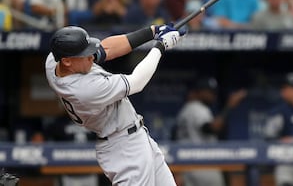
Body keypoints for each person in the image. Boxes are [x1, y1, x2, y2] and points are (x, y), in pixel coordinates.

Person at [45, 23, 185, 185]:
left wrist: (152, 31)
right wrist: (160, 46)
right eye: (85, 54)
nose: (91, 56)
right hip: (123, 148)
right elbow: (137, 82)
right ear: (67, 61)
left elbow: (106, 49)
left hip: (135, 136)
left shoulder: (53, 62)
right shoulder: (84, 90)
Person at [175, 77, 247, 186]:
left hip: (187, 165)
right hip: (203, 163)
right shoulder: (197, 108)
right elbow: (212, 128)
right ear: (199, 92)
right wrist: (229, 105)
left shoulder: (184, 111)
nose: (213, 96)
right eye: (209, 92)